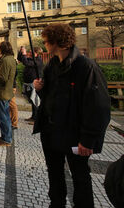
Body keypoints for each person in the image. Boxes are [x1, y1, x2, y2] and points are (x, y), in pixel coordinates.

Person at [33, 23, 111, 208]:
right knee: (54, 173)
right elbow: (50, 98)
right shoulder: (52, 65)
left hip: (75, 135)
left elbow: (98, 106)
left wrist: (88, 139)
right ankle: (56, 204)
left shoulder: (85, 67)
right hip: (52, 131)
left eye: (46, 40)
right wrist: (40, 89)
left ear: (57, 42)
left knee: (80, 176)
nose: (44, 43)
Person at [17, 46, 43, 125]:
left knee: (35, 101)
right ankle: (33, 116)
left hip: (34, 83)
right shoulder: (32, 59)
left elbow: (26, 63)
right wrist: (21, 51)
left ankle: (37, 119)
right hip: (28, 82)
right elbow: (20, 59)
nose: (29, 53)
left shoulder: (38, 61)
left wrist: (24, 54)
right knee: (31, 100)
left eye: (31, 52)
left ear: (36, 53)